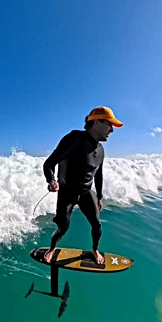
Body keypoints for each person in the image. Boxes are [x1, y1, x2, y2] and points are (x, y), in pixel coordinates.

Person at [42, 106, 124, 265]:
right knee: (63, 228)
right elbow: (49, 164)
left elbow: (98, 174)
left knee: (97, 225)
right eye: (109, 124)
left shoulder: (101, 150)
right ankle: (51, 248)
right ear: (97, 122)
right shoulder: (75, 139)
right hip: (67, 192)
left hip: (87, 192)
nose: (112, 130)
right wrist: (51, 180)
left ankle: (95, 249)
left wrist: (99, 196)